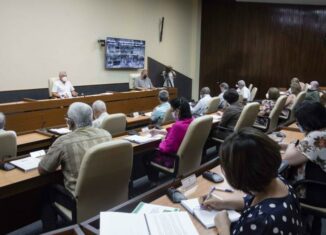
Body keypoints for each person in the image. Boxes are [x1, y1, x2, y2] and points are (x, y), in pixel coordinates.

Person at [203, 128, 303, 235]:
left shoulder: (260, 221)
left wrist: (223, 226)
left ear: (240, 175)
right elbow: (253, 202)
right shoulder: (275, 180)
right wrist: (223, 203)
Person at [38, 102, 112, 193]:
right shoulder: (106, 134)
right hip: (107, 192)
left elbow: (43, 170)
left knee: (46, 195)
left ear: (70, 122)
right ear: (91, 118)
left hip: (79, 200)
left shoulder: (63, 142)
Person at [145, 97, 193, 181]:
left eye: (172, 110)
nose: (172, 113)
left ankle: (154, 183)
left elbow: (166, 148)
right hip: (187, 156)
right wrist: (159, 132)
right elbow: (178, 133)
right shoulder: (191, 120)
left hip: (172, 159)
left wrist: (162, 140)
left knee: (146, 156)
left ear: (178, 111)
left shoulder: (178, 126)